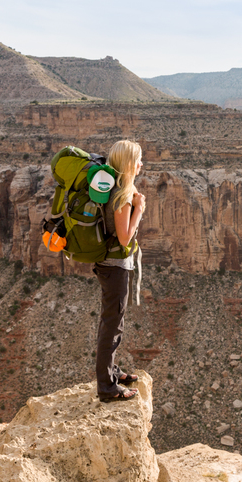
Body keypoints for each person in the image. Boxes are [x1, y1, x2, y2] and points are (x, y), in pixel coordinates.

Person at [93, 139, 146, 402]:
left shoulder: (111, 188)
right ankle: (107, 388)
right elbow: (125, 238)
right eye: (138, 160)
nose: (141, 165)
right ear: (128, 164)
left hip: (109, 264)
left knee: (115, 322)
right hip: (115, 267)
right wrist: (139, 209)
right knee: (111, 325)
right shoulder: (123, 195)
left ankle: (112, 372)